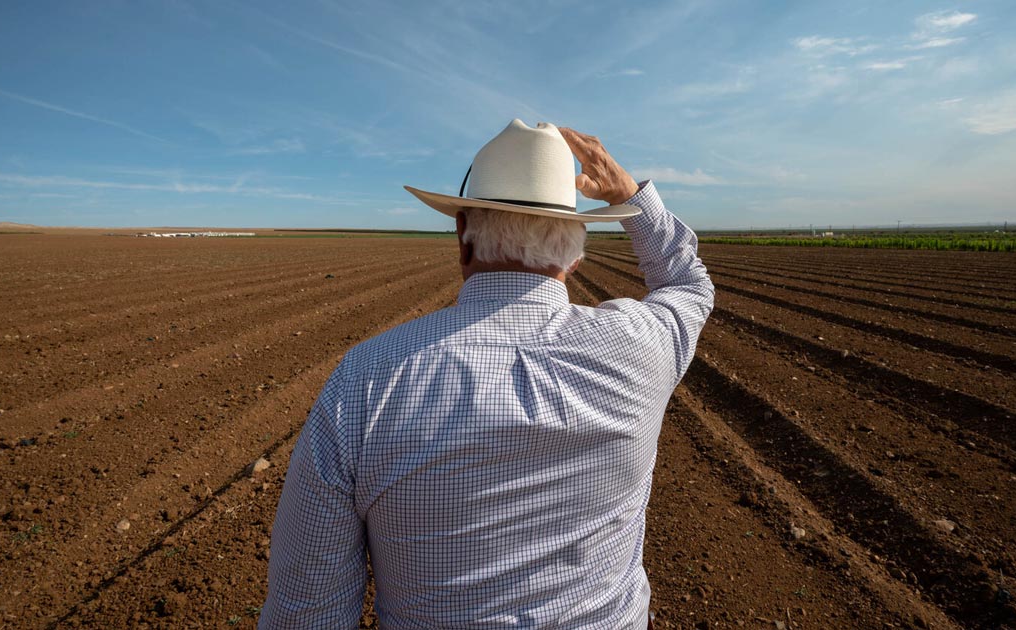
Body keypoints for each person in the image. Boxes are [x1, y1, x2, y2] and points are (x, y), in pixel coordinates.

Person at [260, 120, 713, 628]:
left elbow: (306, 614)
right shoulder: (639, 348)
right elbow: (688, 285)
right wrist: (629, 196)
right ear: (577, 250)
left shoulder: (365, 381)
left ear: (463, 238)